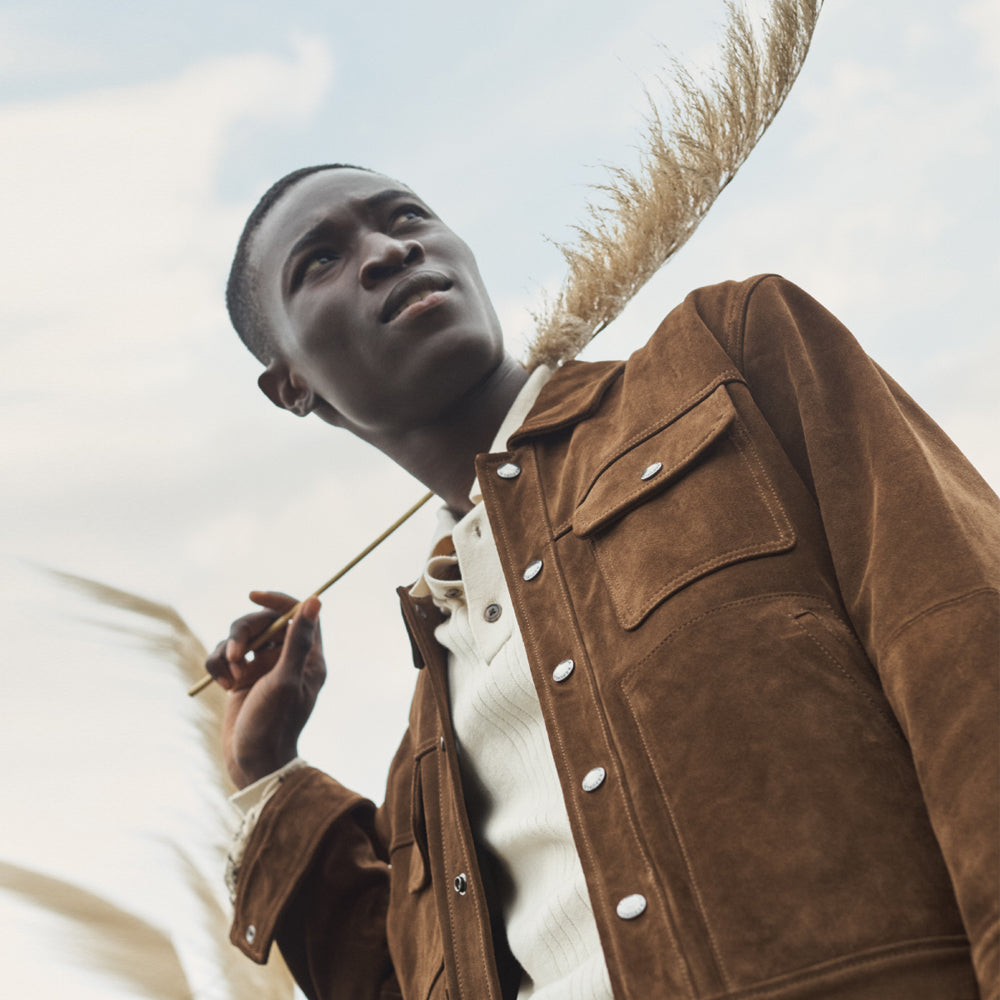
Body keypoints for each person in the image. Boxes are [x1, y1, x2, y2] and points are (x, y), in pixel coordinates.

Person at [206, 164, 999, 1000]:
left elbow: (965, 646)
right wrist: (268, 772)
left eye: (405, 216)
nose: (387, 250)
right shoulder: (425, 766)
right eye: (320, 261)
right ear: (290, 384)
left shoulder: (730, 355)